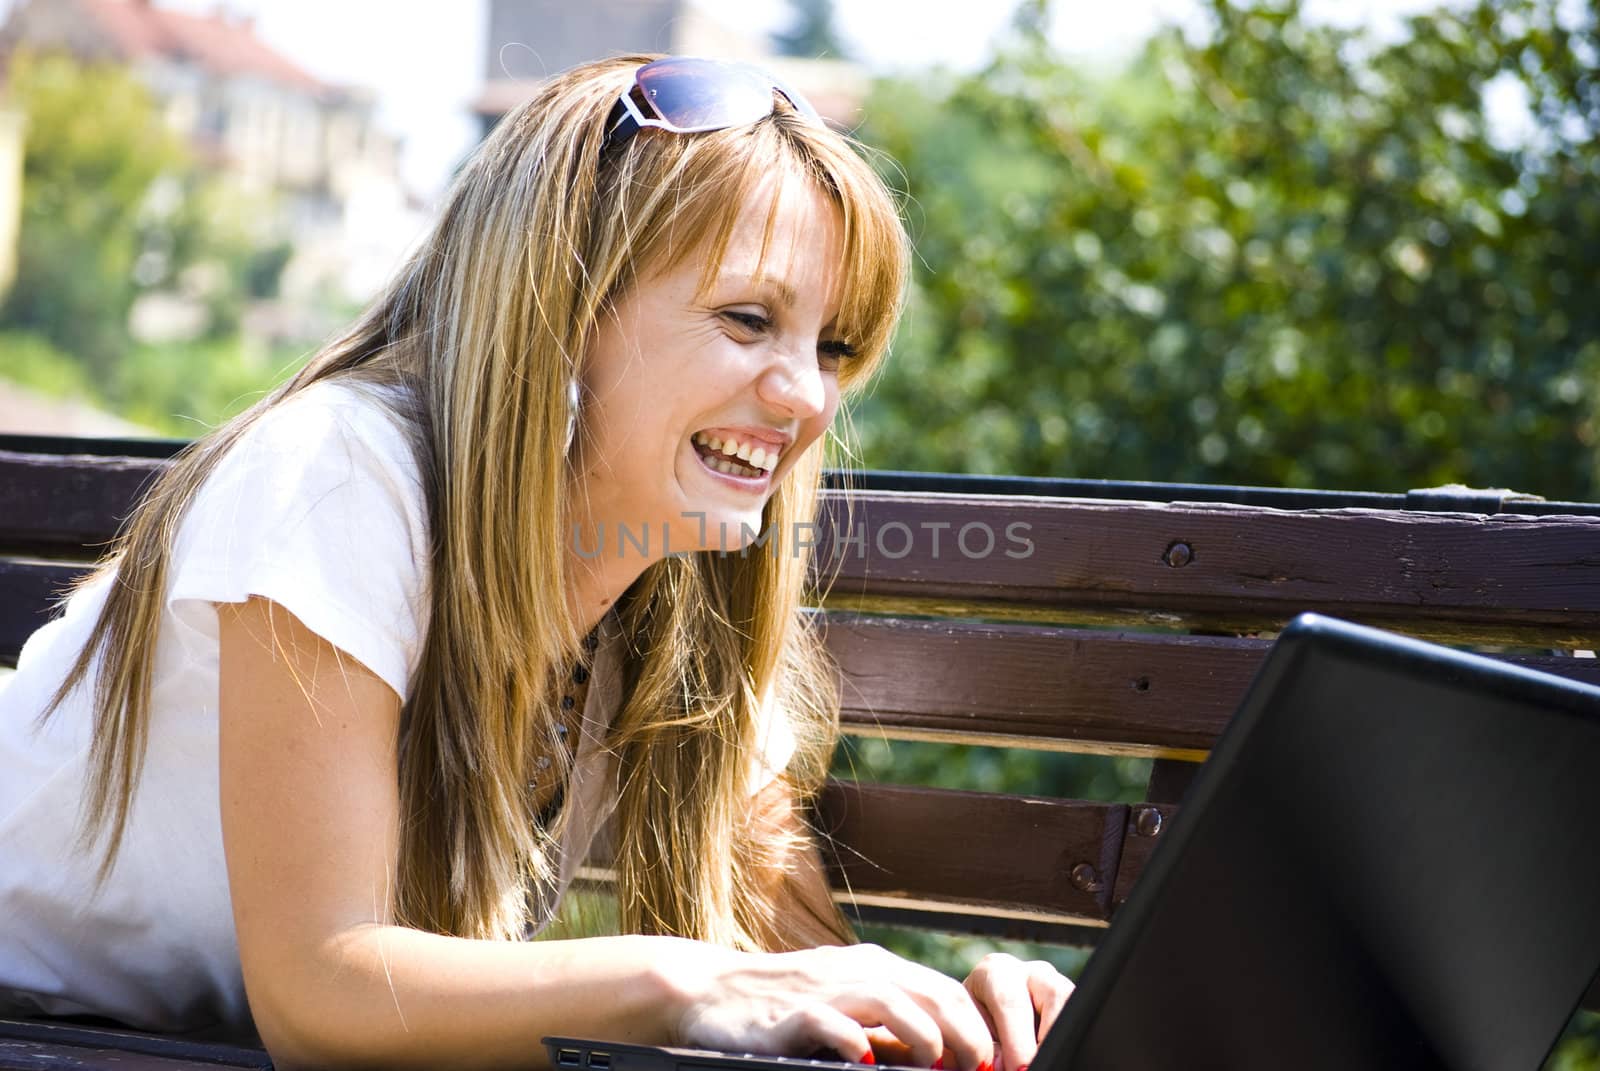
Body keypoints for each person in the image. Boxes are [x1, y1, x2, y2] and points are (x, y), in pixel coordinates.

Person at [0, 54, 1073, 1070]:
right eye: (749, 321)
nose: (807, 399)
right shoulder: (339, 475)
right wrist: (675, 979)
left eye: (833, 348)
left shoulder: (676, 591)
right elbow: (320, 998)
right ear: (560, 314)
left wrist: (962, 1023)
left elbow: (793, 976)